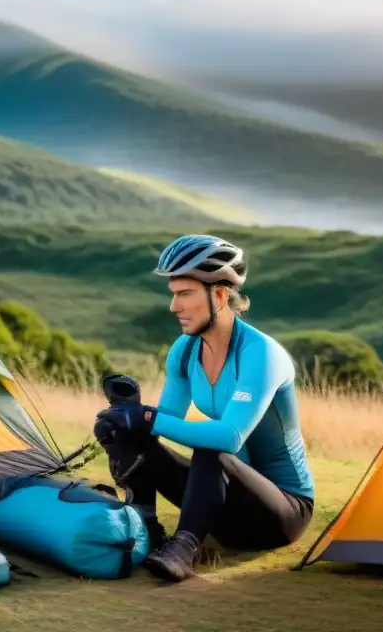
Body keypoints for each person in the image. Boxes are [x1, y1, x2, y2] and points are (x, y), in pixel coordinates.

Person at [93, 234, 315, 582]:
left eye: (185, 294)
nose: (174, 306)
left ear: (220, 295)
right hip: (224, 508)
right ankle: (146, 529)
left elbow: (229, 436)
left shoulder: (261, 355)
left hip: (283, 513)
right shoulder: (184, 351)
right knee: (134, 433)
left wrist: (148, 418)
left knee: (212, 450)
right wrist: (128, 421)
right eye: (174, 294)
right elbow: (164, 422)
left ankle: (184, 550)